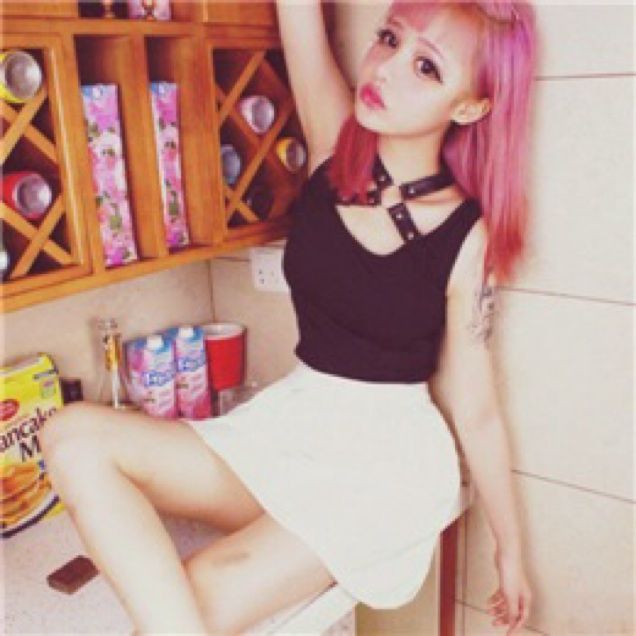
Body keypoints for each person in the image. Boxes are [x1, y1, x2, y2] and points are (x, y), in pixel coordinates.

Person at [40, 1, 537, 634]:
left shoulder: (467, 236)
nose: (385, 69)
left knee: (193, 598)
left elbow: (478, 410)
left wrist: (510, 550)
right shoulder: (336, 146)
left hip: (386, 462)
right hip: (291, 425)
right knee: (71, 434)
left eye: (426, 68)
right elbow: (298, 15)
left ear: (468, 107)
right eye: (389, 39)